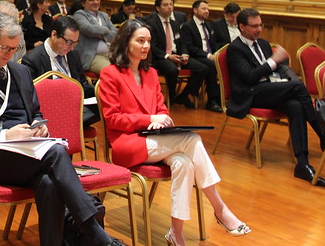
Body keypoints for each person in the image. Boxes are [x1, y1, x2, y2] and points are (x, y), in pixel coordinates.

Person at [0, 12, 124, 246]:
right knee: (56, 152)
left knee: (49, 183)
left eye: (15, 49)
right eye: (5, 48)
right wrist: (5, 135)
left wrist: (39, 127)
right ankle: (94, 231)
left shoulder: (20, 72)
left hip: (27, 153)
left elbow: (36, 114)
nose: (10, 54)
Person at [98, 19, 250, 245]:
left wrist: (161, 121)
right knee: (192, 139)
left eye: (148, 41)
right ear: (125, 42)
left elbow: (162, 109)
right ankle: (220, 208)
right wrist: (150, 119)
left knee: (184, 163)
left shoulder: (151, 73)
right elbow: (113, 118)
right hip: (127, 144)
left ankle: (176, 233)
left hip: (156, 140)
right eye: (140, 41)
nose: (146, 46)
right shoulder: (110, 73)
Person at [227, 8, 325, 186]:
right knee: (297, 86)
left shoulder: (263, 44)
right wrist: (274, 60)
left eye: (260, 25)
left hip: (270, 89)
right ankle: (323, 135)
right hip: (250, 94)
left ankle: (302, 164)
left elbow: (278, 68)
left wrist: (281, 69)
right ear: (242, 27)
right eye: (254, 26)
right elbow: (250, 77)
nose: (259, 29)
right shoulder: (235, 49)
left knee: (295, 105)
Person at [22, 15, 100, 128]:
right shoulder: (32, 60)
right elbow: (30, 97)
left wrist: (100, 92)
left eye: (75, 43)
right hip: (50, 108)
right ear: (54, 35)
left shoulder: (73, 54)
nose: (72, 47)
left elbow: (82, 84)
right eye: (68, 42)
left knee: (104, 106)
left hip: (75, 104)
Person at [145, 0, 207, 108]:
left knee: (202, 68)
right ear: (158, 8)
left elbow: (182, 43)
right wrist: (168, 56)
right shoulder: (151, 24)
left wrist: (184, 54)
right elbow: (151, 47)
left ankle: (184, 95)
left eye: (171, 5)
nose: (169, 7)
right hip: (160, 58)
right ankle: (171, 97)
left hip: (176, 55)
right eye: (165, 5)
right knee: (171, 69)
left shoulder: (175, 24)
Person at [179, 0, 222, 113]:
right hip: (195, 56)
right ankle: (212, 100)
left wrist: (217, 53)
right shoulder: (188, 26)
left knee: (219, 63)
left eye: (208, 9)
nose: (207, 11)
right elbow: (189, 47)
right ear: (195, 10)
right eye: (203, 9)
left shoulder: (208, 25)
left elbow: (213, 43)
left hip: (209, 56)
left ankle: (220, 97)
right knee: (210, 65)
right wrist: (208, 55)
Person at [72, 0, 117, 74]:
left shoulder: (104, 15)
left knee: (126, 68)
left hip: (110, 54)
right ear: (83, 3)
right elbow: (89, 29)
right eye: (91, 0)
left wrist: (102, 36)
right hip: (92, 56)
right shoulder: (79, 15)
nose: (96, 2)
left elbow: (115, 32)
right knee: (112, 73)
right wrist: (106, 30)